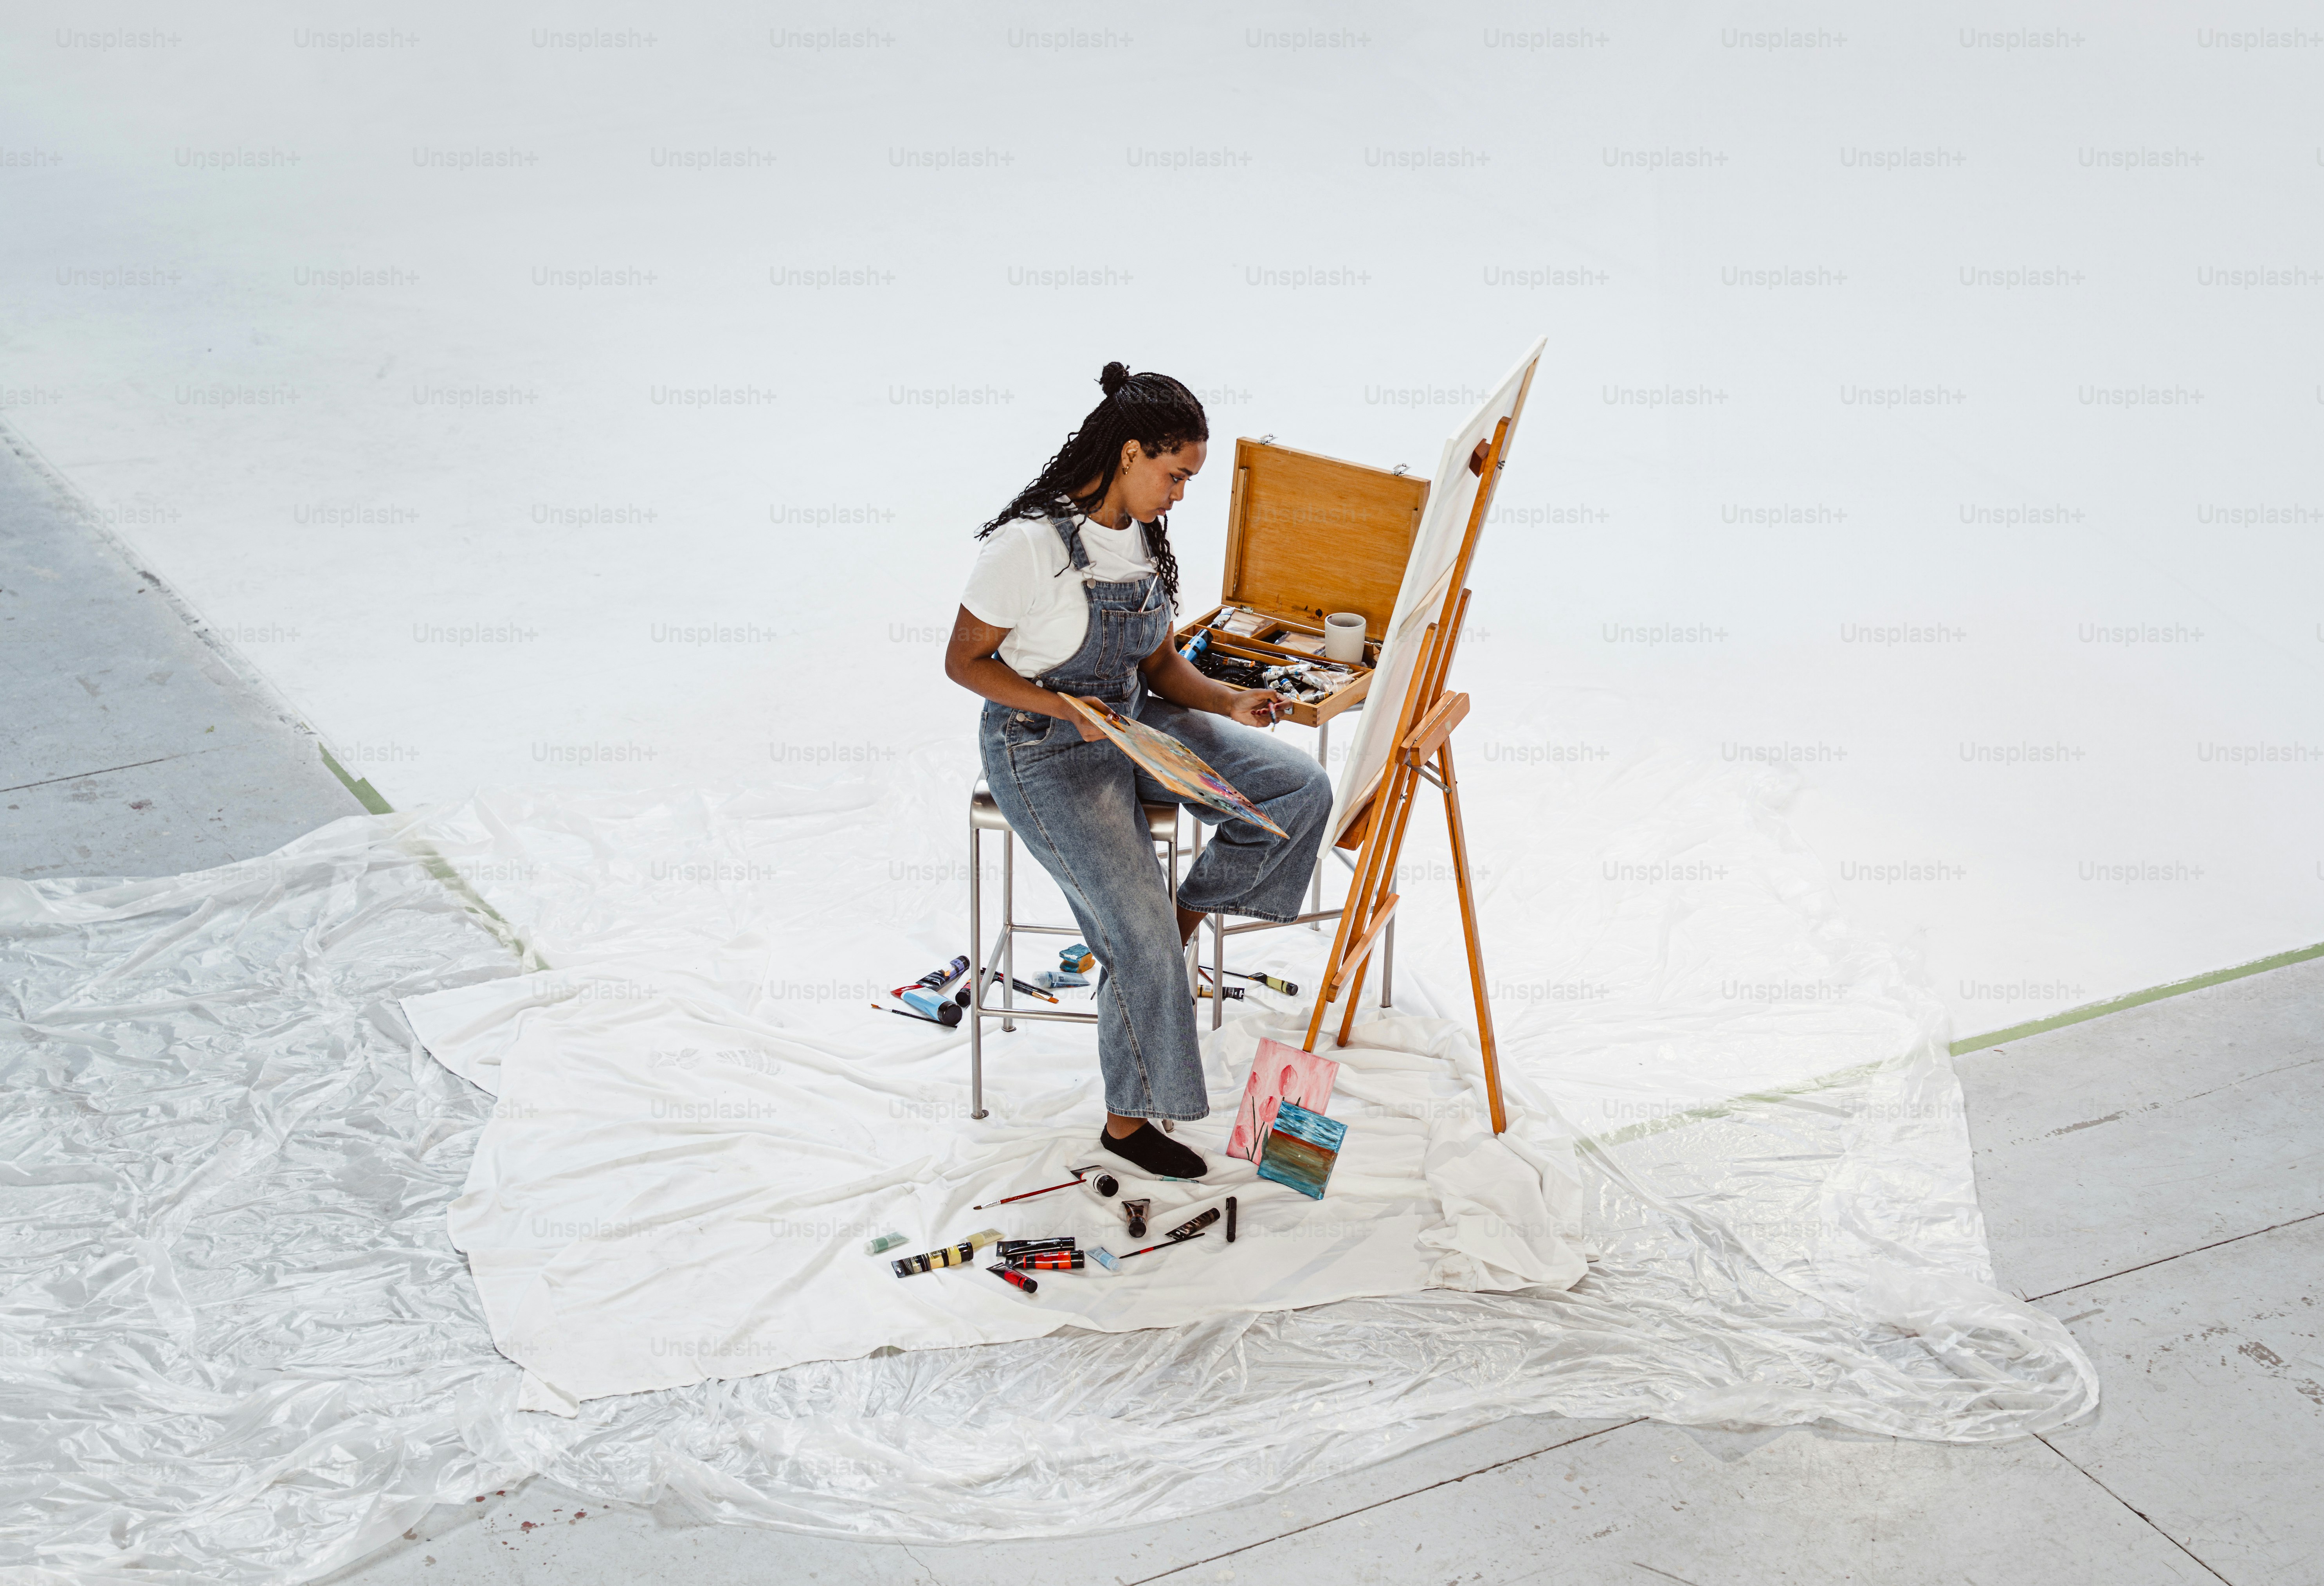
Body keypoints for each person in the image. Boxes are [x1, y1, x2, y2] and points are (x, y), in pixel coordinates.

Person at [944, 363, 1333, 1179]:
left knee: (1298, 787)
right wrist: (1064, 710)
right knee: (1138, 942)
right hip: (1042, 748)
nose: (1181, 493)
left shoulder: (1140, 538)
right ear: (1128, 453)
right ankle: (1126, 1125)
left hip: (1129, 721)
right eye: (1175, 474)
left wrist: (1228, 701)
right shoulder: (1028, 546)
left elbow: (1156, 660)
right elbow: (964, 663)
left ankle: (1180, 918)